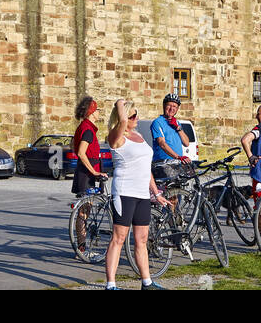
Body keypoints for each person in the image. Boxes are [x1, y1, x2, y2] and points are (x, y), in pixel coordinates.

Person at [103, 98, 170, 290]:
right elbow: (122, 122)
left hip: (142, 195)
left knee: (142, 239)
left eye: (136, 115)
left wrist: (155, 192)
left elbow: (145, 167)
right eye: (133, 115)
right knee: (119, 238)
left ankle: (146, 282)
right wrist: (119, 104)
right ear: (123, 117)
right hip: (124, 193)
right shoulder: (116, 137)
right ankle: (111, 284)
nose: (137, 118)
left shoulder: (138, 135)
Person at [150, 93, 192, 176]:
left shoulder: (176, 122)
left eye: (175, 106)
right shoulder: (157, 122)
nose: (172, 109)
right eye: (169, 105)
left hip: (176, 163)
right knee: (168, 189)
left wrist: (178, 128)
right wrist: (178, 157)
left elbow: (186, 143)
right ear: (164, 106)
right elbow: (162, 143)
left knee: (181, 188)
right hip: (163, 164)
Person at [71, 95, 104, 198]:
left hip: (84, 169)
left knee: (86, 205)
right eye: (97, 109)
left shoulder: (83, 126)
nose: (99, 112)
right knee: (86, 205)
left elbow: (72, 144)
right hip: (87, 172)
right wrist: (94, 171)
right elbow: (81, 153)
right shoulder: (88, 130)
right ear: (92, 112)